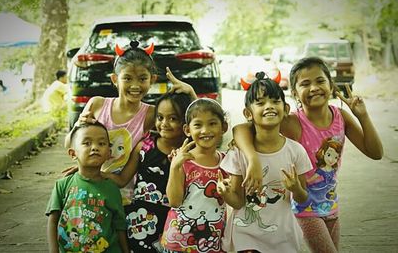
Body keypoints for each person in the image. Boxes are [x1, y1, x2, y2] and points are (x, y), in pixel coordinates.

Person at [233, 57, 383, 252]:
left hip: (330, 206)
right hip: (303, 208)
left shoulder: (341, 117)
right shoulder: (293, 121)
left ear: (331, 84)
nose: (314, 88)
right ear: (295, 93)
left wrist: (362, 115)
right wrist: (252, 158)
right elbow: (241, 129)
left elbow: (376, 152)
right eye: (305, 84)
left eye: (320, 81)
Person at [63, 40, 197, 206]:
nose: (135, 85)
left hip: (129, 199)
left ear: (152, 79)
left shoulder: (151, 114)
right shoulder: (97, 105)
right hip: (93, 190)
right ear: (114, 79)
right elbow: (69, 144)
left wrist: (191, 94)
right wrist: (78, 127)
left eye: (142, 79)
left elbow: (191, 130)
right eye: (127, 78)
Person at [217, 72, 312, 253]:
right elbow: (237, 203)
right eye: (260, 103)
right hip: (246, 234)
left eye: (275, 101)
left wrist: (295, 189)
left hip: (283, 236)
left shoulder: (296, 151)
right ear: (248, 113)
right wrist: (226, 193)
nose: (269, 106)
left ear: (285, 109)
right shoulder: (238, 153)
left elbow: (303, 198)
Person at [103, 92, 192, 252]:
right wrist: (94, 172)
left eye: (173, 118)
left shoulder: (192, 152)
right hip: (141, 222)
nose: (164, 123)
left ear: (185, 123)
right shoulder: (144, 147)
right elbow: (122, 179)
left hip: (177, 222)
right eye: (160, 117)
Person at [46, 121, 128, 253]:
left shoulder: (112, 189)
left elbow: (119, 226)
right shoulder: (62, 185)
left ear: (108, 153)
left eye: (101, 143)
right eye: (87, 143)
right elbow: (53, 221)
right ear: (73, 153)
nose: (95, 147)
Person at [161, 98, 228, 253]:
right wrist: (175, 167)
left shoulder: (228, 162)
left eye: (212, 123)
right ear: (187, 129)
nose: (205, 130)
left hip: (212, 242)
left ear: (224, 127)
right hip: (179, 243)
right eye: (198, 125)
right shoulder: (183, 160)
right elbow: (174, 201)